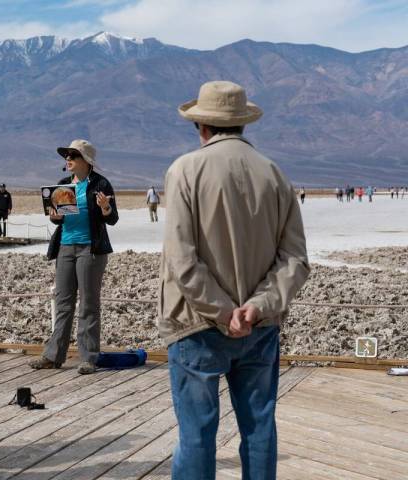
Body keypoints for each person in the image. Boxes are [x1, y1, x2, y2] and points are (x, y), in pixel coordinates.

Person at [159, 81, 310, 479]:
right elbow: (295, 259)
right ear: (243, 124)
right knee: (259, 429)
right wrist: (255, 308)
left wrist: (224, 312)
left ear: (201, 127)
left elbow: (181, 259)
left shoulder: (185, 170)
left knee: (196, 435)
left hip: (197, 326)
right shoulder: (274, 174)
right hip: (259, 328)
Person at [30, 139, 119, 375]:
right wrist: (55, 216)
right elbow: (57, 219)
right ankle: (53, 355)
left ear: (86, 160)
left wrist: (104, 208)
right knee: (63, 302)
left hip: (90, 249)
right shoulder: (62, 185)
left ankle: (88, 357)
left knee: (89, 303)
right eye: (66, 156)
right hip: (65, 248)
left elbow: (112, 219)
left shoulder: (101, 184)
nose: (67, 159)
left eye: (73, 155)